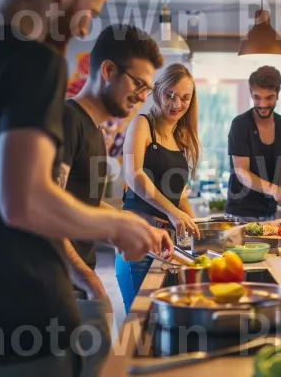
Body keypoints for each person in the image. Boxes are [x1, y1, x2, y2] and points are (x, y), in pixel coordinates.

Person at [0, 0, 172, 374]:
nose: (85, 28)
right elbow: (25, 200)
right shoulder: (33, 61)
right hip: (23, 324)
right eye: (89, 12)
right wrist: (118, 224)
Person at [53, 24, 167, 374]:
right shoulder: (67, 120)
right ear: (108, 71)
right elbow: (48, 212)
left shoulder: (93, 129)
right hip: (65, 287)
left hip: (77, 284)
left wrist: (135, 224)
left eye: (148, 88)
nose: (143, 96)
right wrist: (87, 277)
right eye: (140, 84)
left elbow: (82, 202)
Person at [117, 63, 201, 313]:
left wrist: (195, 226)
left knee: (166, 319)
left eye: (185, 98)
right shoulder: (143, 123)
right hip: (138, 237)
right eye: (170, 95)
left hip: (168, 243)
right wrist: (175, 214)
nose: (177, 104)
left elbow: (178, 194)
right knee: (141, 320)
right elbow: (135, 176)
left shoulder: (181, 136)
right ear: (157, 91)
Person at [225, 66, 281, 222]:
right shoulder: (240, 125)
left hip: (269, 214)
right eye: (257, 97)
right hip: (239, 214)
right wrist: (275, 190)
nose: (263, 104)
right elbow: (242, 172)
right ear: (251, 92)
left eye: (269, 97)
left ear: (278, 92)